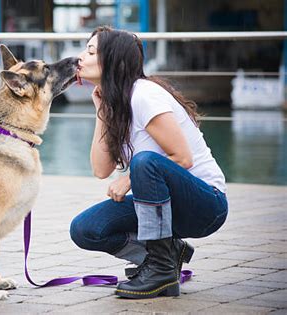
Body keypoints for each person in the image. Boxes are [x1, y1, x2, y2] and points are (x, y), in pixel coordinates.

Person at [69, 26, 228, 299]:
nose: (80, 57)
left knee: (144, 162)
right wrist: (102, 111)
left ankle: (161, 271)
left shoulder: (143, 94)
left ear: (114, 60)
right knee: (86, 229)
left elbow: (183, 158)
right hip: (162, 205)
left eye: (91, 51)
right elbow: (100, 169)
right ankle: (167, 254)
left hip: (206, 204)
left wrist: (129, 179)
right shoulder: (117, 103)